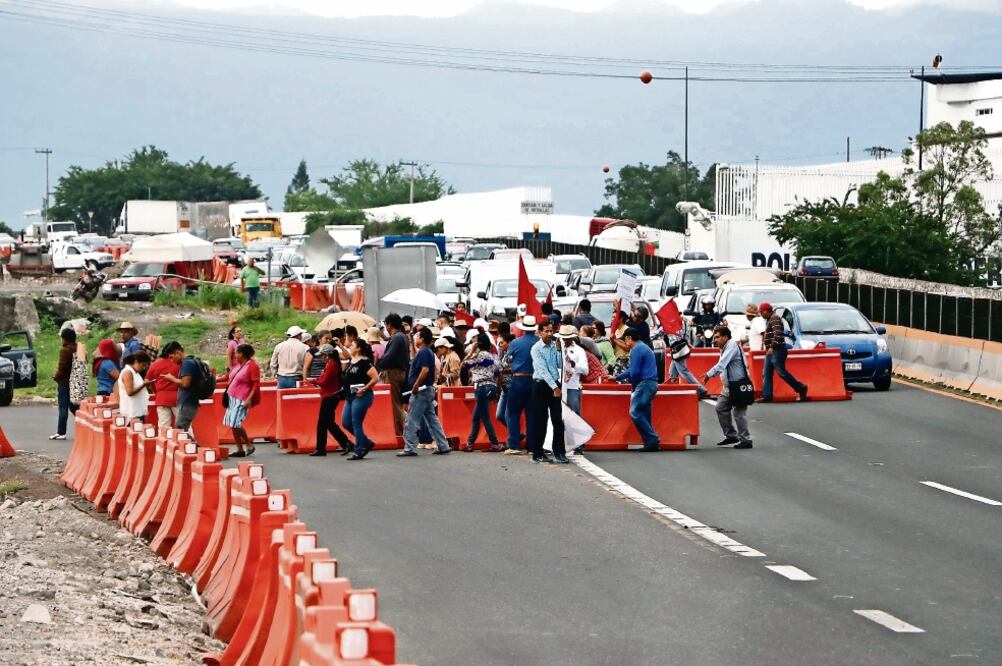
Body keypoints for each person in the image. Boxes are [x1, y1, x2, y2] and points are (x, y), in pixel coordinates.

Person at [398, 327, 452, 457]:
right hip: (427, 389)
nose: (416, 338)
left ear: (422, 339)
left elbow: (425, 370)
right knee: (432, 419)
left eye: (417, 336)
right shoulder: (426, 352)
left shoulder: (424, 353)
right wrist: (411, 339)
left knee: (411, 419)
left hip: (421, 390)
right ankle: (443, 445)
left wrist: (416, 385)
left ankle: (409, 447)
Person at [704, 326, 753, 449]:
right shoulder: (725, 347)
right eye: (714, 337)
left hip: (738, 386)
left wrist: (709, 374)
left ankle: (746, 439)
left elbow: (722, 364)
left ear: (726, 337)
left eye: (718, 337)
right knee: (721, 408)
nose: (715, 340)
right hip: (729, 387)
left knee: (738, 413)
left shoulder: (731, 346)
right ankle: (731, 435)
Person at [615, 328, 660, 452]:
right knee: (644, 413)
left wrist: (634, 388)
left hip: (644, 384)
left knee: (635, 412)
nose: (625, 342)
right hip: (651, 383)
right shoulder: (643, 347)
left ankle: (652, 439)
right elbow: (632, 370)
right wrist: (617, 377)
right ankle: (650, 443)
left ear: (629, 338)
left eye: (625, 339)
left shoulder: (636, 350)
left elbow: (634, 372)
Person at [529, 321, 567, 464]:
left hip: (554, 383)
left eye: (551, 331)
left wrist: (558, 350)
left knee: (558, 420)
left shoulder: (554, 345)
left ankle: (559, 452)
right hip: (541, 385)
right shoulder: (536, 348)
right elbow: (542, 370)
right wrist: (555, 388)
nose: (550, 334)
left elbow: (559, 365)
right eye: (547, 331)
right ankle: (537, 453)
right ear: (540, 332)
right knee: (540, 420)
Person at [502, 315, 539, 455]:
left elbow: (505, 362)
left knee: (512, 414)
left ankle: (514, 445)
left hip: (518, 380)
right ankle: (531, 446)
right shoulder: (539, 342)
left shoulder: (516, 343)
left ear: (523, 329)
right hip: (534, 380)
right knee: (531, 415)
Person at [308, 344, 353, 457]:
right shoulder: (332, 364)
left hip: (329, 396)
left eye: (323, 355)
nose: (322, 358)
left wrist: (314, 381)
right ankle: (343, 443)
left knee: (324, 423)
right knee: (327, 423)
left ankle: (340, 444)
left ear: (327, 355)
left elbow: (324, 381)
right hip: (330, 396)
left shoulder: (332, 365)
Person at [760, 302, 809, 402]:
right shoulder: (770, 319)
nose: (761, 314)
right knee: (766, 373)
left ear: (766, 311)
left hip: (777, 350)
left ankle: (801, 388)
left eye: (761, 312)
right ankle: (767, 396)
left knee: (782, 373)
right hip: (771, 351)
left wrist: (772, 347)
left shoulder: (775, 318)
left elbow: (778, 334)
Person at [463, 332, 502, 452]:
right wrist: (498, 390)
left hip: (481, 387)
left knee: (484, 417)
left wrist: (472, 351)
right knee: (476, 416)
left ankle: (495, 443)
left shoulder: (478, 355)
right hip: (491, 385)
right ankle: (470, 442)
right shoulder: (493, 356)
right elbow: (499, 371)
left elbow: (464, 364)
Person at [343, 339, 380, 460]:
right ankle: (367, 442)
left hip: (362, 396)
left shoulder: (365, 363)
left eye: (352, 345)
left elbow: (375, 378)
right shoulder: (351, 361)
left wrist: (365, 388)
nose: (350, 346)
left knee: (356, 422)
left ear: (358, 348)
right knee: (346, 422)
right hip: (350, 396)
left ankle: (359, 450)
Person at [376, 314, 410, 437]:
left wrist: (379, 364)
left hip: (393, 372)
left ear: (389, 324)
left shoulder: (396, 337)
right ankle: (403, 429)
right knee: (397, 403)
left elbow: (389, 356)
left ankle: (400, 431)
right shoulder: (403, 337)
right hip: (400, 371)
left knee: (394, 403)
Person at [224, 343, 260, 457]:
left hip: (242, 398)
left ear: (242, 354)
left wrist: (249, 399)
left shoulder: (252, 366)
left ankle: (249, 444)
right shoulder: (239, 365)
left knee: (235, 422)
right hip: (232, 397)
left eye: (237, 352)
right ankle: (240, 449)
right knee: (233, 423)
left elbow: (255, 384)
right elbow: (228, 376)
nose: (235, 355)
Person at [147, 341, 184, 429]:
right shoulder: (180, 363)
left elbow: (148, 380)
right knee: (183, 425)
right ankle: (189, 442)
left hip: (161, 398)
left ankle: (163, 442)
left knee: (164, 427)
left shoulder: (155, 364)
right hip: (178, 397)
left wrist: (156, 391)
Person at [50, 327, 78, 440]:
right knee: (75, 406)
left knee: (63, 407)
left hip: (65, 382)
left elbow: (62, 368)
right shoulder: (79, 348)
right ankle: (85, 425)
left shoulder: (64, 350)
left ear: (65, 339)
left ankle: (61, 432)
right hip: (76, 382)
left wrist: (55, 376)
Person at [175, 352, 209, 432]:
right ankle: (194, 444)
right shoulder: (194, 361)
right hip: (192, 402)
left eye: (172, 357)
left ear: (178, 352)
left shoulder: (187, 363)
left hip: (187, 402)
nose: (172, 360)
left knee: (180, 431)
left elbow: (185, 383)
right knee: (183, 431)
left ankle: (195, 445)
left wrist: (171, 379)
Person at [557, 325, 588, 415]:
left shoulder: (579, 350)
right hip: (556, 387)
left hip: (572, 387)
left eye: (567, 339)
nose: (564, 341)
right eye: (563, 339)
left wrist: (575, 365)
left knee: (574, 414)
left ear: (571, 338)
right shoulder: (554, 350)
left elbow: (585, 370)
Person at [118, 351, 153, 423]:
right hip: (132, 412)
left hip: (138, 410)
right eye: (143, 365)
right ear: (136, 362)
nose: (143, 368)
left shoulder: (135, 372)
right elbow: (130, 392)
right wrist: (143, 385)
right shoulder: (128, 372)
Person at [270, 325, 308, 389]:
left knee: (281, 397)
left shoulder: (279, 346)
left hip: (281, 378)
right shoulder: (305, 347)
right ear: (299, 335)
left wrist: (275, 375)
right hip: (297, 377)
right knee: (295, 398)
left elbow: (273, 364)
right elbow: (306, 365)